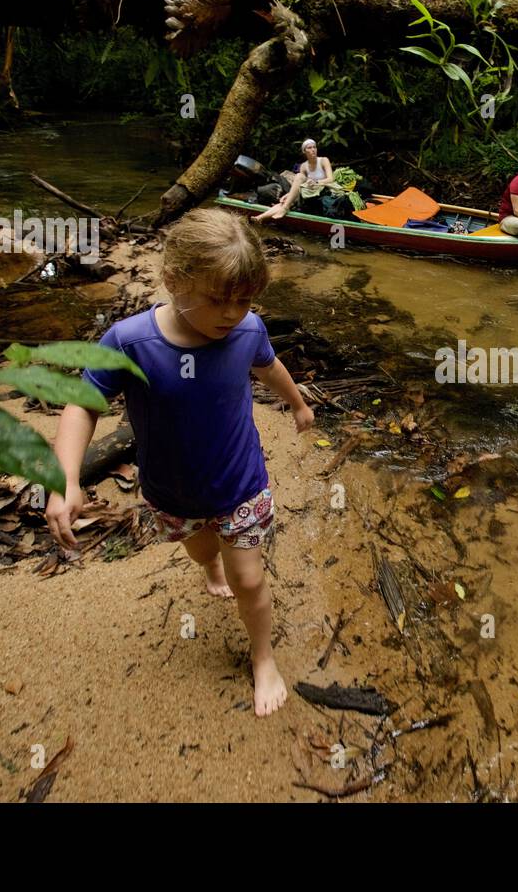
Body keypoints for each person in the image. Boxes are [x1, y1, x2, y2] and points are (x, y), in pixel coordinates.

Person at [44, 208, 315, 715]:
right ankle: (209, 563)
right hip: (172, 493)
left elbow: (269, 366)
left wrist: (297, 403)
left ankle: (263, 657)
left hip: (241, 485)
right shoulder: (131, 343)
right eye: (218, 299)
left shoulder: (248, 329)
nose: (232, 313)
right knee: (199, 550)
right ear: (173, 280)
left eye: (244, 300)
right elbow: (81, 405)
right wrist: (65, 480)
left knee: (249, 580)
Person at [253, 138, 333, 221]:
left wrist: (316, 182)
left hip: (322, 190)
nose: (313, 150)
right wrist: (289, 195)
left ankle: (284, 208)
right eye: (309, 148)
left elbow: (331, 179)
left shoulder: (324, 160)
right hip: (308, 192)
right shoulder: (303, 166)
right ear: (304, 151)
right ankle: (260, 217)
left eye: (314, 147)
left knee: (298, 177)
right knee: (285, 200)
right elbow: (300, 185)